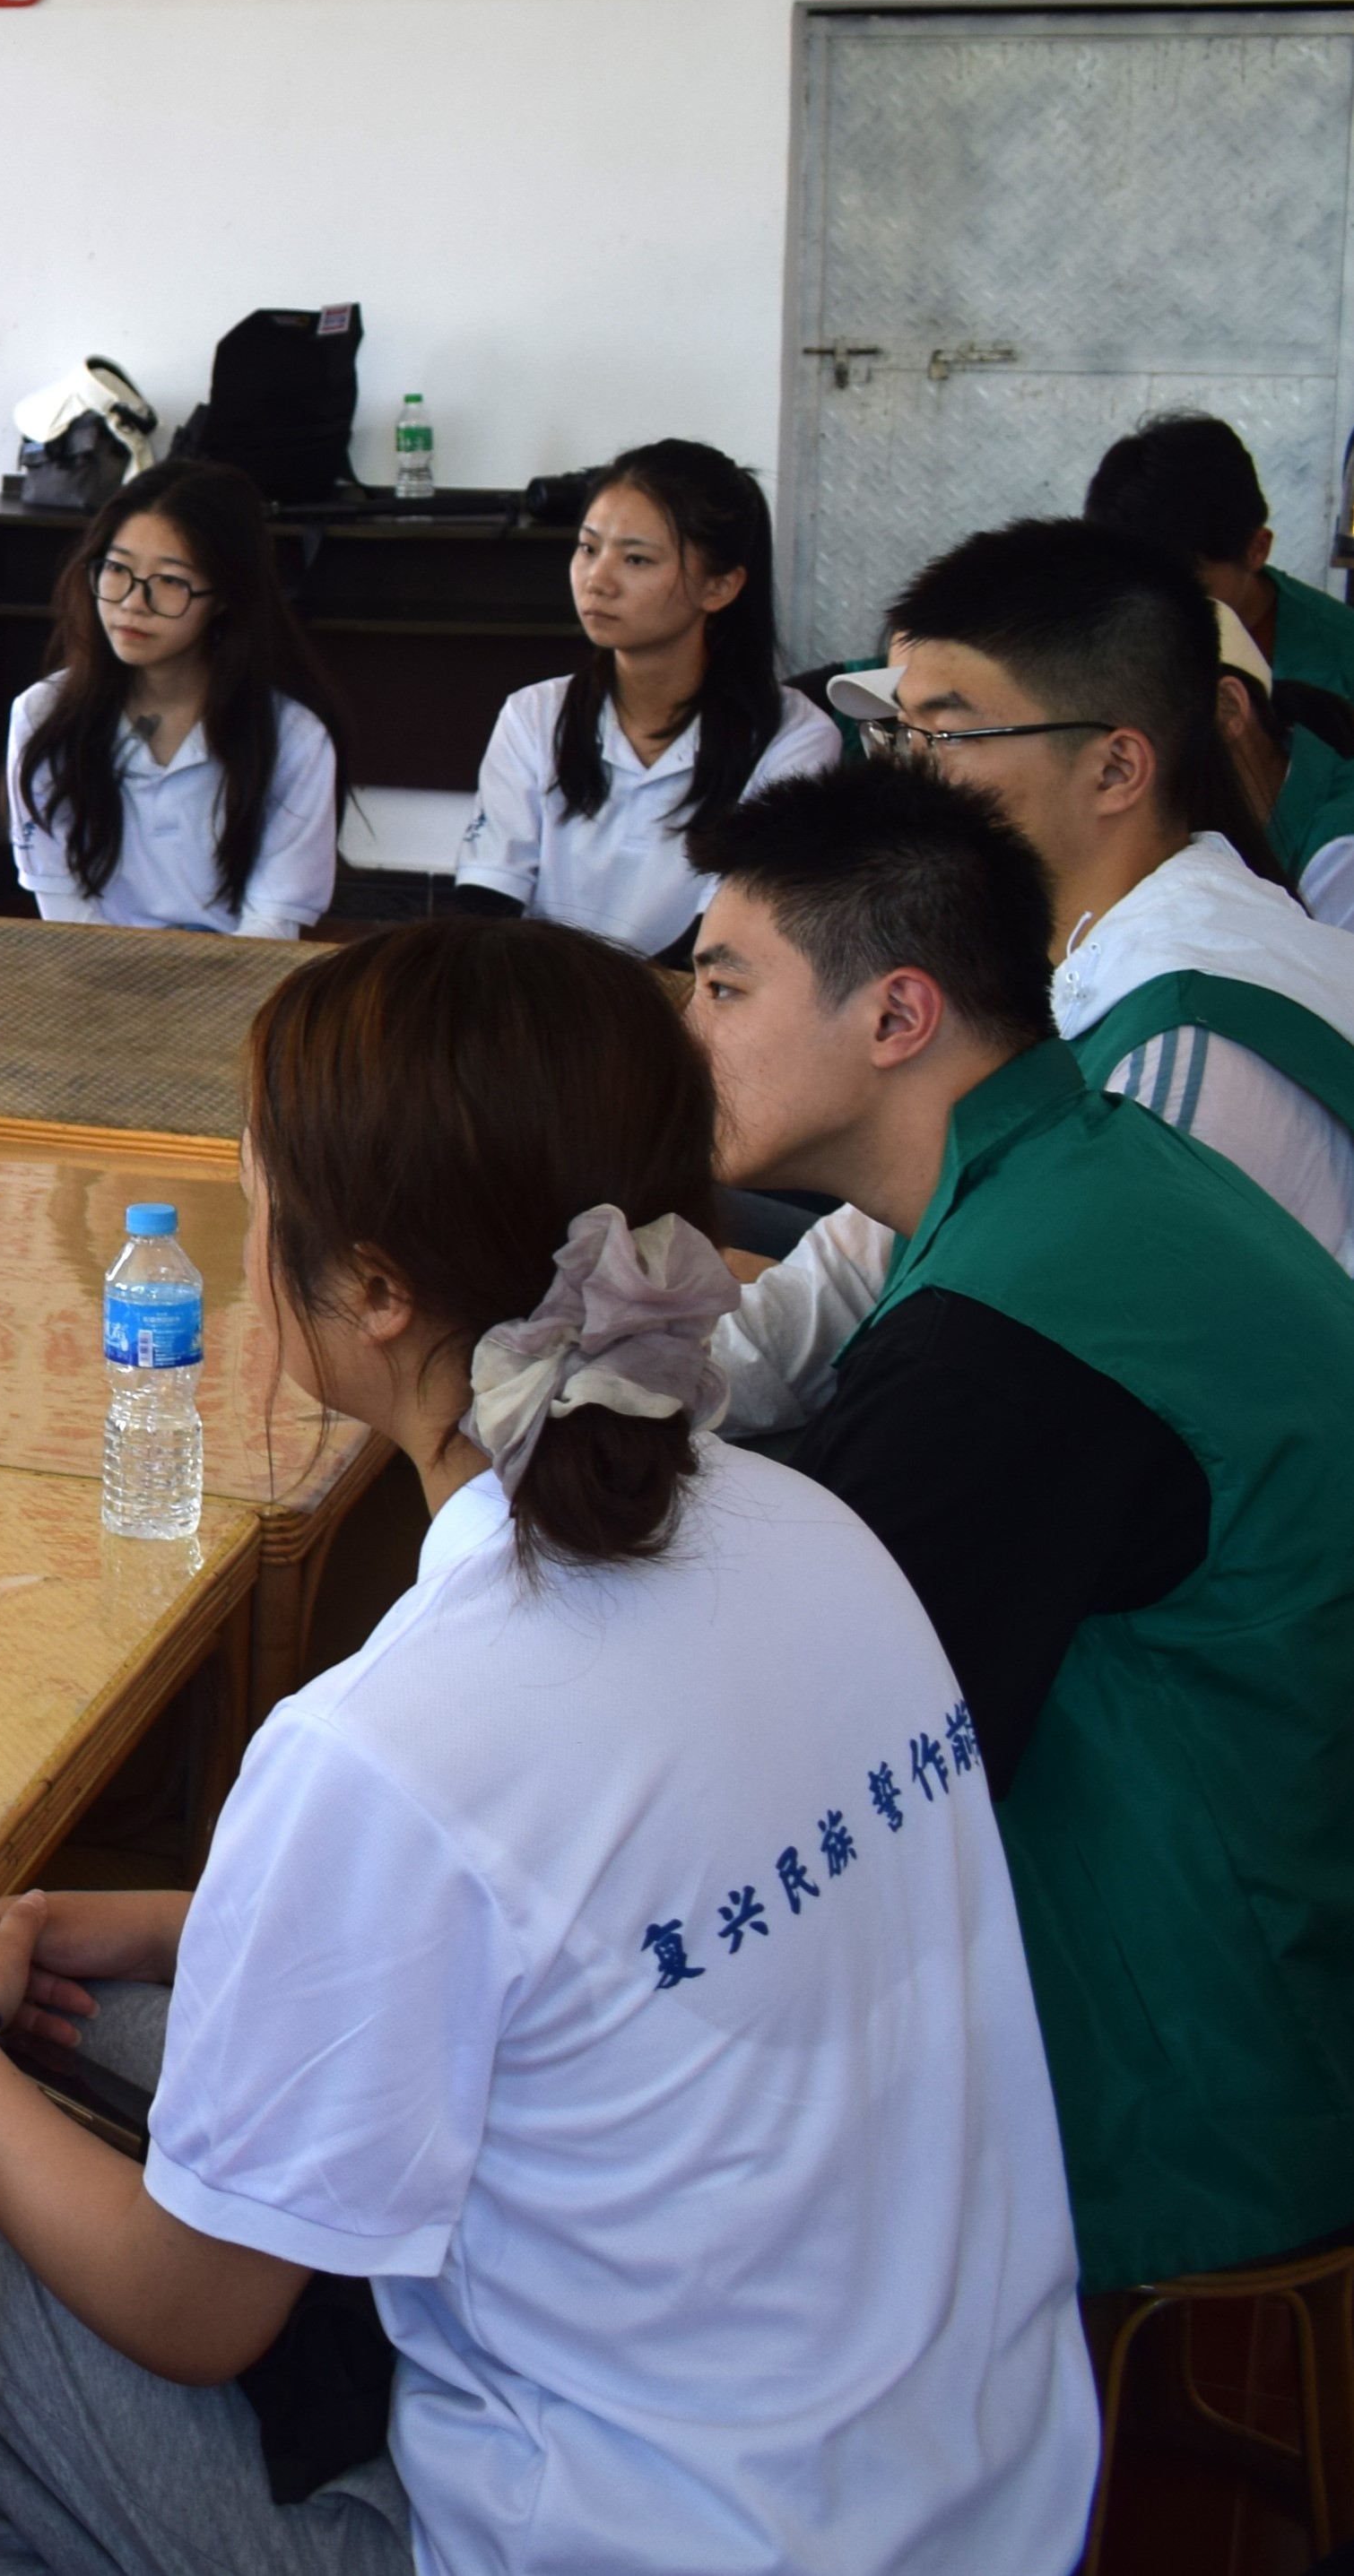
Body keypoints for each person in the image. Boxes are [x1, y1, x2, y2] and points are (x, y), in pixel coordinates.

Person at [0, 915, 1094, 2575]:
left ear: (370, 1287)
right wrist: (144, 1921)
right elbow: (564, 1933)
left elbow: (186, 2303)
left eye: (258, 1193)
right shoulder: (812, 1532)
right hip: (987, 2501)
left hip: (651, 2546)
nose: (248, 1233)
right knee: (116, 2029)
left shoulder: (393, 1742)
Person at [687, 757, 1354, 2290]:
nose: (690, 1029)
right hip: (1271, 1939)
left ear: (895, 1017)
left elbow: (805, 1752)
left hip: (1196, 2072)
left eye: (723, 987)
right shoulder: (1082, 1166)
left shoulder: (1002, 1339)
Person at [839, 520, 1354, 1266]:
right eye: (899, 734)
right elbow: (860, 1255)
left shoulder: (1182, 1033)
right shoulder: (1033, 948)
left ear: (1116, 771)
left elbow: (1068, 1312)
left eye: (944, 739)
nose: (904, 779)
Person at [446, 438, 832, 958]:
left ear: (719, 587)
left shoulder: (794, 738)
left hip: (692, 1002)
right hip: (541, 993)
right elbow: (487, 900)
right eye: (588, 548)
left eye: (636, 558)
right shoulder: (534, 715)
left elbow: (725, 937)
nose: (597, 581)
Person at [7, 461, 346, 940]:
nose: (132, 602)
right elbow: (62, 900)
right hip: (93, 965)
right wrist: (118, 978)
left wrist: (208, 983)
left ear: (224, 596)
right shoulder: (43, 715)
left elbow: (272, 921)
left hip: (238, 970)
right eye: (117, 569)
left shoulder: (294, 737)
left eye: (170, 580)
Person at [1085, 406, 1354, 926]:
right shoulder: (1091, 638)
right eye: (1135, 584)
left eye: (1185, 584)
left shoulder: (1341, 659)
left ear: (1257, 549)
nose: (1153, 609)